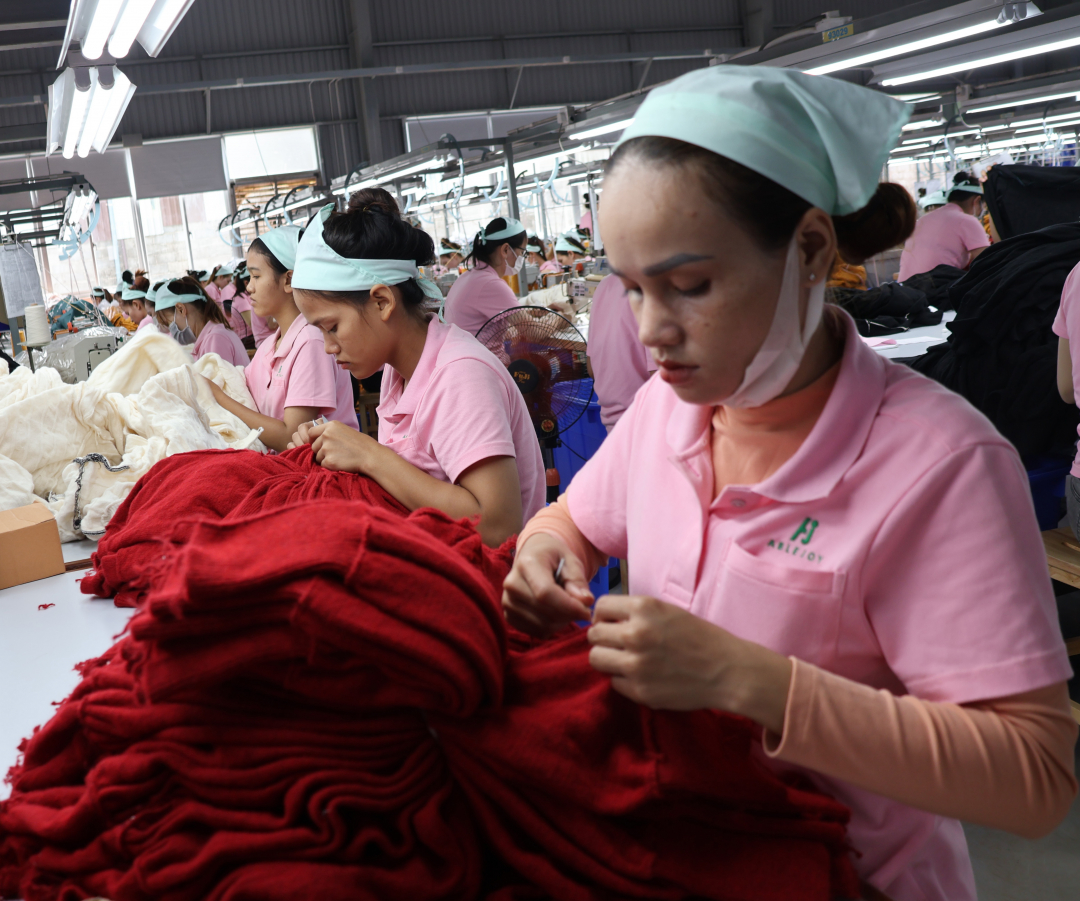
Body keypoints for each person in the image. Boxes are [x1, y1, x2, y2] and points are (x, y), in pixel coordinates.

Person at [501, 65, 1076, 901]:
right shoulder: (670, 409)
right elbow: (574, 518)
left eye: (689, 285)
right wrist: (545, 548)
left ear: (809, 249)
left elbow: (1030, 776)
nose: (651, 330)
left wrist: (752, 681)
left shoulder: (938, 465)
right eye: (631, 289)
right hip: (691, 856)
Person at [287, 194, 545, 547]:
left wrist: (367, 454)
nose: (328, 348)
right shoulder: (399, 373)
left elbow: (498, 526)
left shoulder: (459, 375)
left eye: (331, 327)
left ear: (382, 302)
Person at [201, 224, 359, 452]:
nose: (250, 288)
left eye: (256, 276)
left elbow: (291, 437)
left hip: (324, 473)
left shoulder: (311, 341)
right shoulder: (269, 346)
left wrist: (216, 395)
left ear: (288, 280)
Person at [586, 274, 657, 431]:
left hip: (612, 425)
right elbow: (660, 381)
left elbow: (591, 368)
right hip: (645, 424)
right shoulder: (654, 287)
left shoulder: (604, 285)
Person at [443, 217, 527, 336]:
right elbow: (532, 332)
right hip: (479, 354)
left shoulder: (468, 277)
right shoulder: (491, 284)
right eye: (522, 252)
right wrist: (561, 317)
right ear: (505, 250)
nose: (523, 257)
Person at [898, 173, 989, 280]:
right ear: (977, 200)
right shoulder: (967, 220)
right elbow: (987, 262)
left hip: (905, 289)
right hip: (933, 291)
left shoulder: (924, 219)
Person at [154, 277, 248, 367]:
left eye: (170, 323)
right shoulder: (211, 336)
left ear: (181, 309)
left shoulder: (215, 339)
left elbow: (217, 383)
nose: (172, 331)